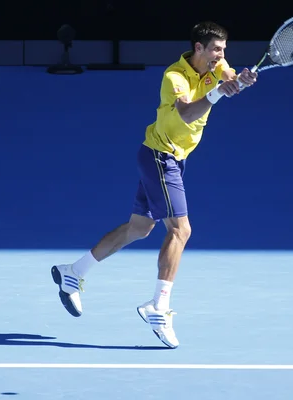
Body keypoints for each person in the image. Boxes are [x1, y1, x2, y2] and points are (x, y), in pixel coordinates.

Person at [51, 21, 258, 349]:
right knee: (181, 230)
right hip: (161, 158)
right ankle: (158, 307)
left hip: (172, 158)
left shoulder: (217, 67)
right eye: (216, 49)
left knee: (139, 228)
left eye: (224, 50)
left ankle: (73, 272)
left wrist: (241, 81)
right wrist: (220, 91)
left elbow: (229, 79)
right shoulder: (173, 77)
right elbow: (188, 114)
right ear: (198, 49)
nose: (221, 55)